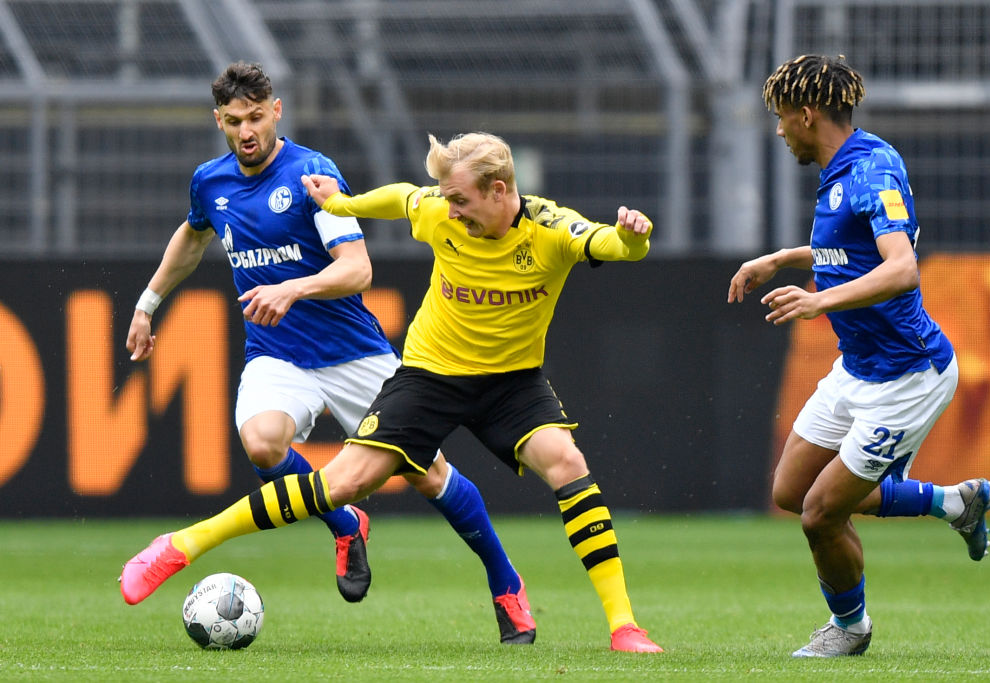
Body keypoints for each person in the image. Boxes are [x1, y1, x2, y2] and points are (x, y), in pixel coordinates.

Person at [120, 130, 663, 653]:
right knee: (344, 484)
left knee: (566, 461)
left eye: (460, 200)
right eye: (447, 199)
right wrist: (340, 205)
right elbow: (403, 198)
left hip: (511, 382)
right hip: (430, 375)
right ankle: (182, 545)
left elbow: (612, 244)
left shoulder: (549, 229)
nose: (450, 211)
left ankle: (623, 626)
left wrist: (634, 237)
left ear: (499, 191)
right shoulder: (439, 211)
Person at [121, 62, 536, 645]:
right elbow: (193, 236)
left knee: (427, 474)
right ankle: (345, 524)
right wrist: (147, 302)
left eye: (257, 118)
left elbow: (357, 269)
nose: (247, 131)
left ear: (277, 111)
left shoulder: (312, 172)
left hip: (352, 353)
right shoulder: (209, 182)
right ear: (218, 120)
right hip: (278, 356)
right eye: (234, 121)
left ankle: (505, 583)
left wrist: (293, 288)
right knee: (262, 441)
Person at [727, 54, 990, 658]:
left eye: (780, 118)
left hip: (908, 375)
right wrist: (782, 258)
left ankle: (850, 629)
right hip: (858, 369)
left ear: (806, 114)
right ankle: (954, 502)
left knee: (820, 513)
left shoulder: (871, 170)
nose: (777, 131)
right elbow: (848, 251)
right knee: (791, 491)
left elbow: (901, 270)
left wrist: (820, 303)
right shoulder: (848, 165)